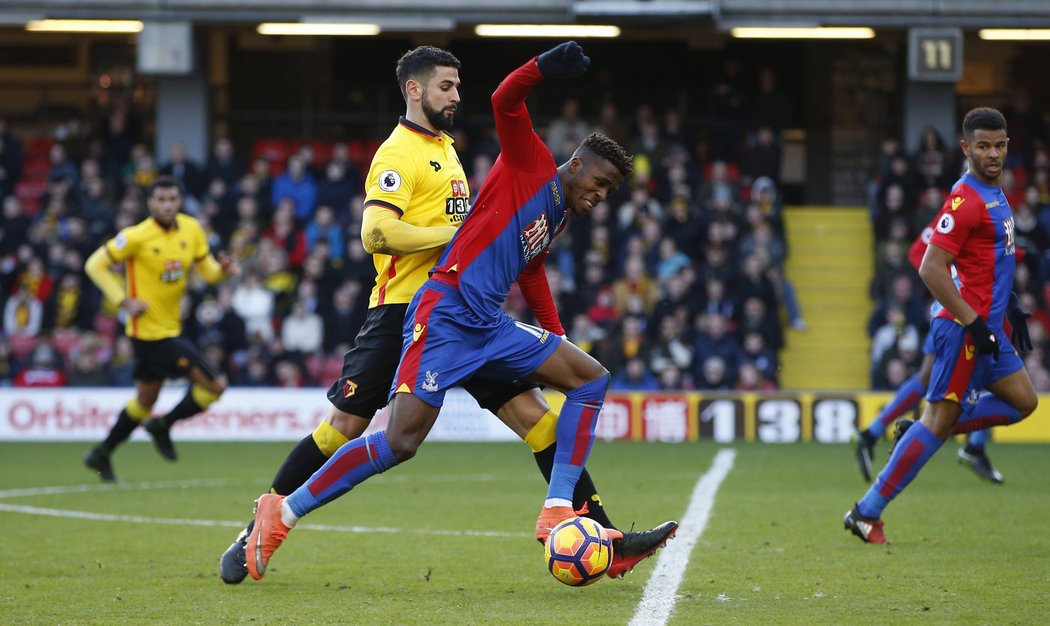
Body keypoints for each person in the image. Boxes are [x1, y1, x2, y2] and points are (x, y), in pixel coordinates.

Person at [219, 44, 675, 585]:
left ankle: (585, 525)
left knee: (578, 388)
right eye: (599, 185)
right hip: (424, 312)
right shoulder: (437, 155)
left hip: (483, 321)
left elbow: (530, 269)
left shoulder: (472, 165)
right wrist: (546, 66)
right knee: (380, 437)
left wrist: (555, 341)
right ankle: (272, 516)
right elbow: (502, 105)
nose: (601, 197)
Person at [844, 108, 1038, 544]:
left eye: (1000, 145)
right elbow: (931, 269)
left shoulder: (996, 190)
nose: (993, 153)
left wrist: (1011, 307)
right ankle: (865, 512)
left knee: (1024, 402)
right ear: (966, 148)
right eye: (983, 146)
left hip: (989, 327)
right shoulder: (966, 199)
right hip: (966, 330)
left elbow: (992, 262)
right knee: (937, 422)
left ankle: (923, 429)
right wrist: (974, 325)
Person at [852, 212, 1034, 484]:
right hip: (956, 311)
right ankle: (965, 444)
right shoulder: (957, 213)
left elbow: (989, 255)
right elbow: (919, 254)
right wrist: (950, 280)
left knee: (950, 374)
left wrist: (1020, 256)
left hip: (969, 308)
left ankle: (875, 433)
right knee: (973, 371)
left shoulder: (983, 212)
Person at [83, 176, 240, 482]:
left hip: (167, 331)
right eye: (161, 200)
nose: (167, 205)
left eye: (172, 199)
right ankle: (163, 425)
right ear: (150, 203)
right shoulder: (136, 236)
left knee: (144, 400)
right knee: (216, 384)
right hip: (151, 336)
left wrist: (222, 271)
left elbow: (206, 271)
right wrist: (122, 300)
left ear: (179, 201)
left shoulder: (192, 229)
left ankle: (101, 453)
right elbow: (94, 265)